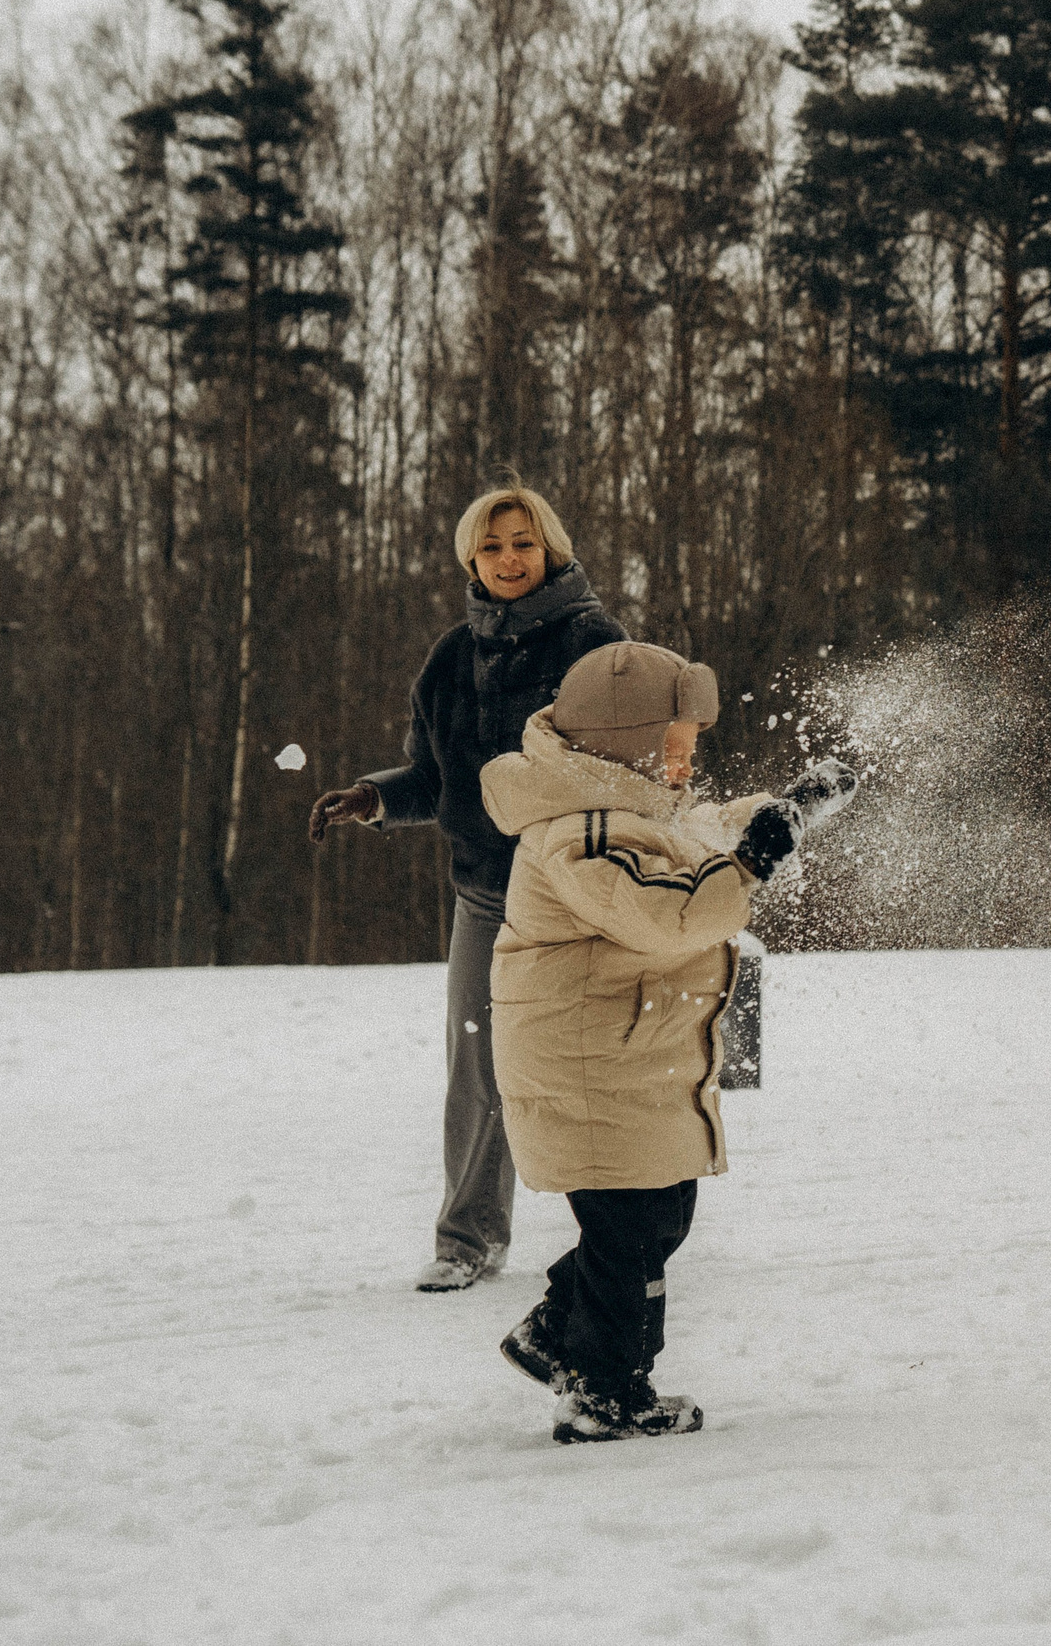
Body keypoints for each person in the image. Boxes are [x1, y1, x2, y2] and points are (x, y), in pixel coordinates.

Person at [480, 641, 857, 1442]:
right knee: (629, 1240)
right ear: (626, 747)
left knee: (661, 1213)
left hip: (620, 1063)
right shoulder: (575, 836)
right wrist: (752, 864)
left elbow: (701, 830)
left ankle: (556, 1332)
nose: (687, 770)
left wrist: (778, 813)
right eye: (676, 751)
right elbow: (668, 910)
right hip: (588, 1068)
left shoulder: (629, 809)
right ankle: (607, 1393)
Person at [309, 485, 624, 1292]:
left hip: (576, 890)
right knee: (478, 1064)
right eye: (493, 548)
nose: (510, 559)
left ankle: (625, 1240)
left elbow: (623, 766)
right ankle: (467, 1240)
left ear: (549, 547)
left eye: (524, 543)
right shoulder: (452, 655)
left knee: (592, 1066)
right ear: (470, 559)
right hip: (487, 895)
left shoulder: (594, 641)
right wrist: (376, 797)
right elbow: (433, 775)